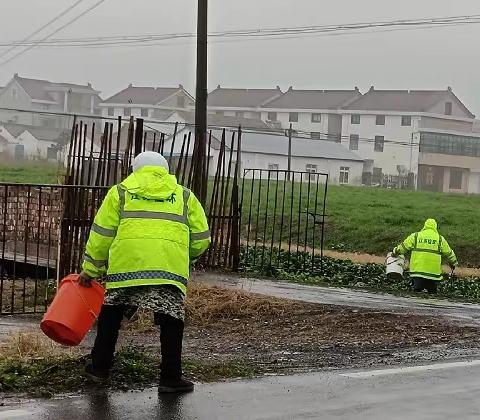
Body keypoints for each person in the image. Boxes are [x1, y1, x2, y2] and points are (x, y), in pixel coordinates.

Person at [79, 151, 211, 393]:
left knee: (111, 317)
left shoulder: (120, 192)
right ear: (165, 170)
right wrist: (186, 258)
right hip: (168, 270)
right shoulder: (184, 195)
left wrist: (91, 269)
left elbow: (101, 235)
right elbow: (202, 239)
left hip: (126, 268)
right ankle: (170, 378)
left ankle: (99, 369)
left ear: (135, 170)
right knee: (171, 320)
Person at [392, 218, 458, 294]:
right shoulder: (440, 239)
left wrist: (395, 252)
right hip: (433, 275)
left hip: (417, 273)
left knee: (416, 294)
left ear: (424, 226)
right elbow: (449, 253)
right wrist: (454, 263)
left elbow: (403, 247)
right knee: (432, 295)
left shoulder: (416, 236)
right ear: (435, 227)